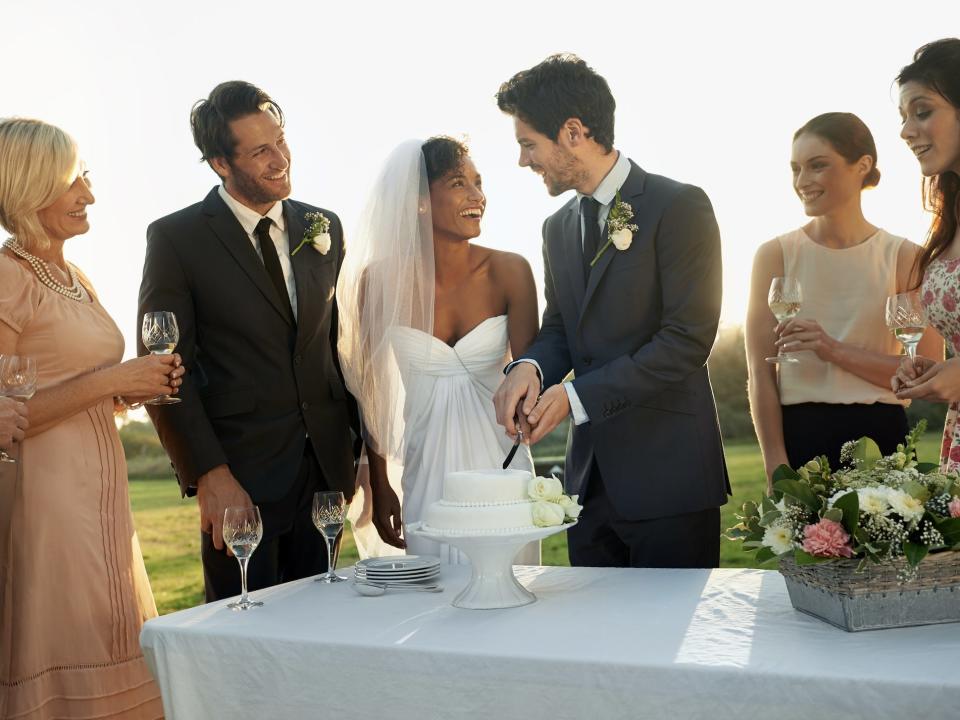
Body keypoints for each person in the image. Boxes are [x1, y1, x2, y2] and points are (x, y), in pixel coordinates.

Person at [137, 81, 385, 601]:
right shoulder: (177, 239)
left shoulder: (324, 227)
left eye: (280, 141)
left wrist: (360, 452)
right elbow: (161, 370)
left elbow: (343, 350)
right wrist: (210, 475)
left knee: (324, 631)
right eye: (259, 151)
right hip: (240, 484)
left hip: (326, 478)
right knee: (240, 640)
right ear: (219, 164)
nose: (280, 160)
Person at [492, 55, 729, 569]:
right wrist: (529, 368)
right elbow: (560, 326)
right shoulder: (557, 227)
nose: (523, 161)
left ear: (573, 131)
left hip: (670, 482)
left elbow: (686, 341)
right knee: (593, 644)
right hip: (588, 486)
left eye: (528, 144)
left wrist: (576, 395)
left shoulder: (679, 206)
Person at [0, 118, 181, 719]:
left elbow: (70, 387)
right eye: (72, 180)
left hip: (104, 493)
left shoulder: (76, 277)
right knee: (68, 654)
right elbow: (6, 413)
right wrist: (113, 379)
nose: (89, 194)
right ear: (27, 187)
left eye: (86, 177)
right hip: (45, 501)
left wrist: (127, 391)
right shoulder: (8, 276)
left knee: (115, 636)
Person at [338, 137, 540, 563]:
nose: (477, 196)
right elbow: (372, 396)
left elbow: (534, 375)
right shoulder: (378, 282)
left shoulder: (510, 271)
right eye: (458, 183)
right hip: (426, 471)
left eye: (479, 183)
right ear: (419, 201)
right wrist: (379, 482)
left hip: (502, 468)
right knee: (433, 601)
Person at [747, 112, 941, 488]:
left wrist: (831, 349)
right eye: (796, 169)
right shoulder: (774, 255)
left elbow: (928, 373)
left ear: (862, 166)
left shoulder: (905, 257)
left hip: (884, 440)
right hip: (801, 439)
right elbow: (759, 373)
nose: (803, 181)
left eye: (817, 166)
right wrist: (776, 467)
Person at [893, 39, 960, 471]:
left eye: (922, 111)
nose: (905, 131)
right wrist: (933, 369)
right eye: (902, 117)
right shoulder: (950, 211)